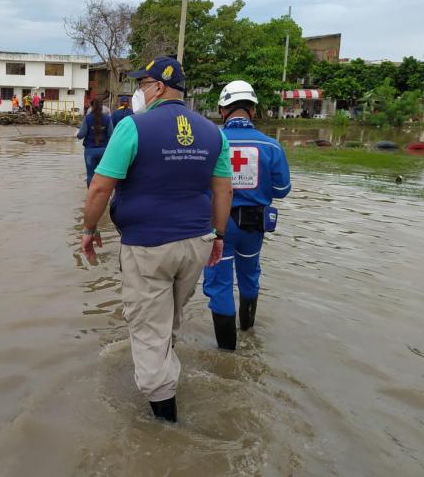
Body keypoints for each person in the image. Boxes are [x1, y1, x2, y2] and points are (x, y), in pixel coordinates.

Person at [80, 57, 233, 423]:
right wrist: (219, 235)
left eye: (144, 84)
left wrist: (89, 230)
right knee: (169, 319)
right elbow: (224, 189)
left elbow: (101, 186)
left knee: (148, 329)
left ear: (159, 87)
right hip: (196, 242)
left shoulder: (133, 127)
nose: (141, 91)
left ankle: (166, 428)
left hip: (148, 247)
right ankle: (166, 370)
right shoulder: (214, 133)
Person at [202, 80, 291, 350]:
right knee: (250, 276)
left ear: (222, 109)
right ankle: (248, 331)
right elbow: (282, 190)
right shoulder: (272, 147)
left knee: (220, 284)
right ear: (253, 110)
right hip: (254, 226)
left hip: (218, 225)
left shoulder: (211, 141)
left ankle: (227, 355)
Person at [76, 97, 114, 186]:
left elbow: (81, 135)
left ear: (91, 107)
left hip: (90, 151)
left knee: (90, 175)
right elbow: (112, 136)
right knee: (102, 175)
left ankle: (90, 196)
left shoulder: (87, 118)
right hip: (104, 151)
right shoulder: (108, 119)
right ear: (101, 107)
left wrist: (77, 133)